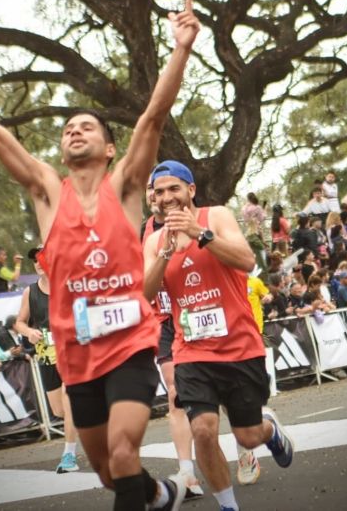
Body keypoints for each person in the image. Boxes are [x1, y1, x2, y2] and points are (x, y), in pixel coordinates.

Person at [0, 0, 199, 509]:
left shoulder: (128, 186)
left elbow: (153, 115)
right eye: (67, 128)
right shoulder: (46, 190)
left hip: (129, 343)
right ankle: (159, 494)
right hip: (77, 354)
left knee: (125, 453)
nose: (73, 130)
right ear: (62, 149)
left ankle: (147, 488)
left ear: (109, 148)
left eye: (86, 126)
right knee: (110, 474)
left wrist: (180, 48)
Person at [144, 161, 294, 511]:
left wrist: (200, 234)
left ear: (190, 190)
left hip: (240, 346)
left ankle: (268, 429)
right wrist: (165, 252)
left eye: (174, 189)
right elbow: (146, 293)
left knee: (247, 435)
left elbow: (245, 260)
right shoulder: (153, 240)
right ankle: (229, 506)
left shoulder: (217, 216)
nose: (167, 197)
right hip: (192, 352)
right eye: (159, 191)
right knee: (204, 430)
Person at [141, 185, 205, 496]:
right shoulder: (146, 234)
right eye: (152, 192)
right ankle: (187, 473)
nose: (158, 197)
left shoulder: (196, 220)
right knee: (176, 394)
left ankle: (246, 445)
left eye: (163, 191)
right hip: (166, 321)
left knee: (214, 392)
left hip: (199, 311)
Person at [14, 247, 80, 474]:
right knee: (60, 410)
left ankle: (69, 454)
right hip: (46, 355)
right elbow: (19, 322)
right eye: (34, 260)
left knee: (69, 396)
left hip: (73, 351)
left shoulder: (69, 285)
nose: (38, 262)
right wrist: (29, 332)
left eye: (43, 257)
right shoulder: (29, 292)